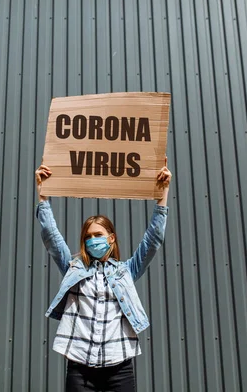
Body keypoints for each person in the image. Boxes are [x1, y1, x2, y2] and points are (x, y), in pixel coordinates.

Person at [34, 157, 172, 392]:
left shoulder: (125, 271)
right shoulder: (73, 268)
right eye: (87, 237)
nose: (92, 240)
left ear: (111, 238)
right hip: (80, 368)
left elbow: (153, 240)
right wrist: (42, 193)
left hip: (119, 367)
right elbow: (51, 235)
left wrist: (163, 192)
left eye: (97, 234)